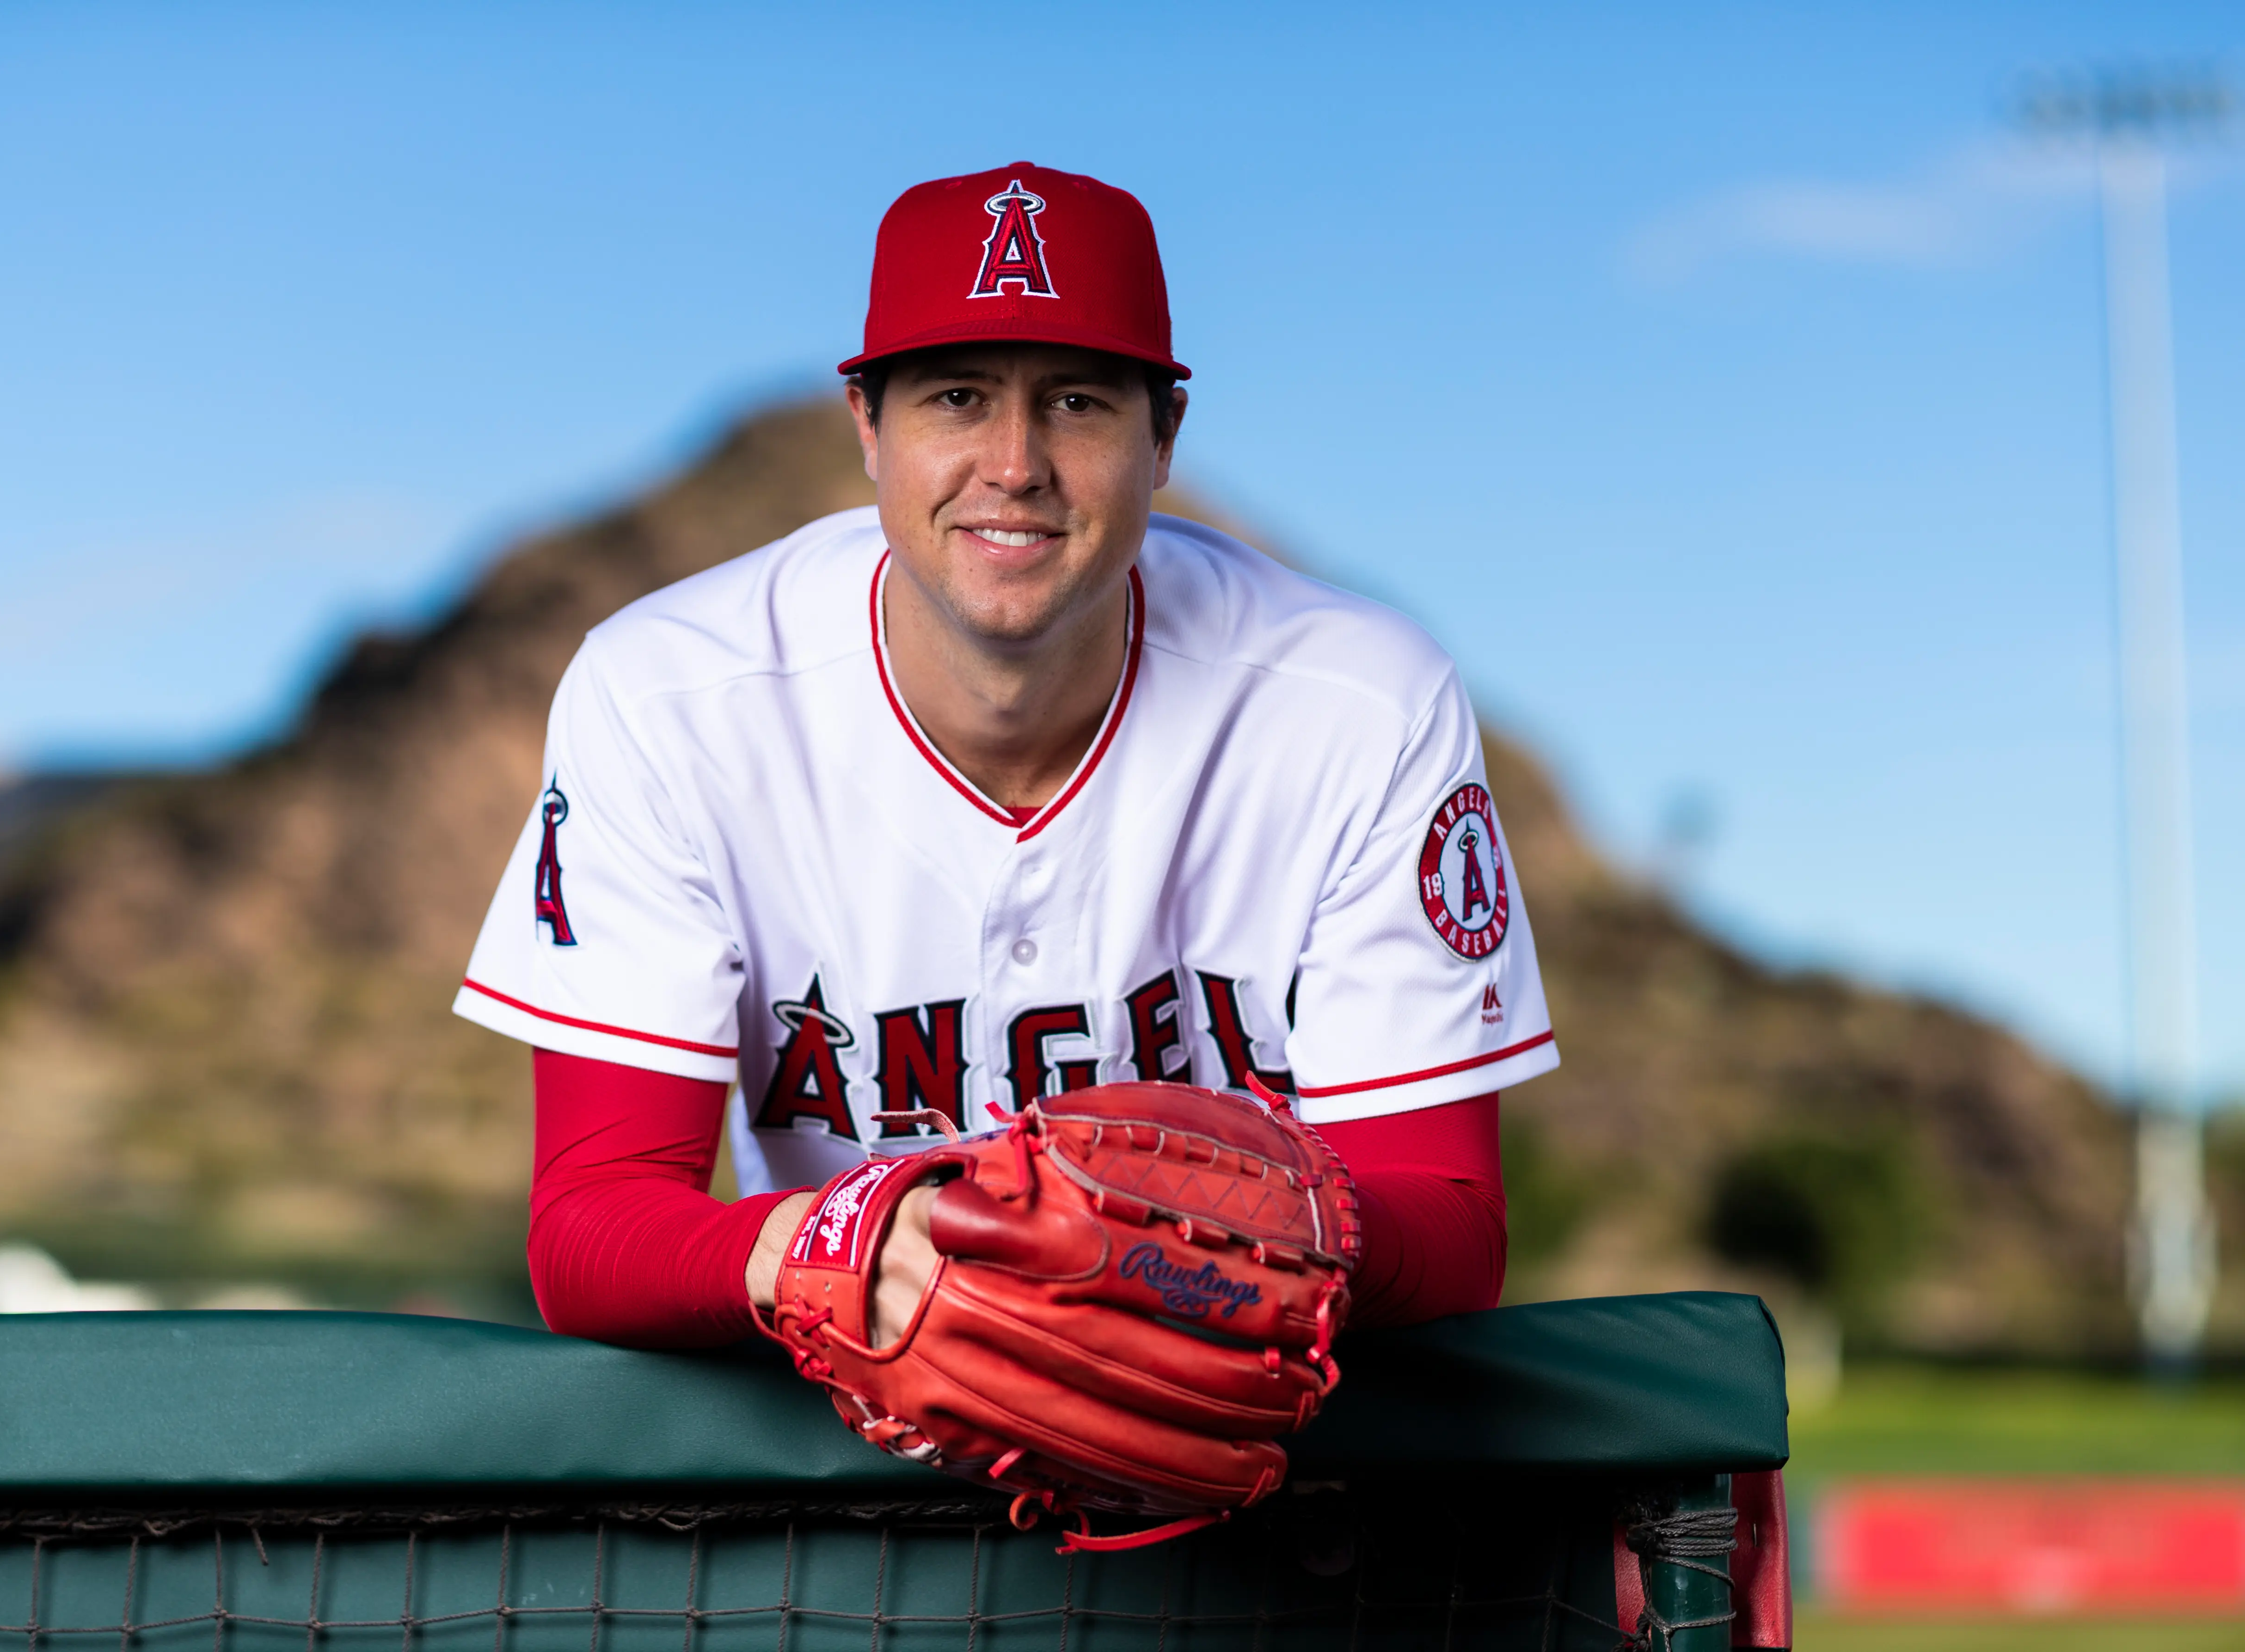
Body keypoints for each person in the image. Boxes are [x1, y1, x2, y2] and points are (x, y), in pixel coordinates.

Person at [453, 162, 1558, 1350]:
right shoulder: (669, 696)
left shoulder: (1360, 704)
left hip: (1253, 1458)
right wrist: (854, 1242)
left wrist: (1190, 1250)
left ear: (1165, 435)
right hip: (859, 1423)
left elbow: (1451, 1221)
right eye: (959, 398)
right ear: (869, 429)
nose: (1017, 463)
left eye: (1078, 401)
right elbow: (590, 1228)